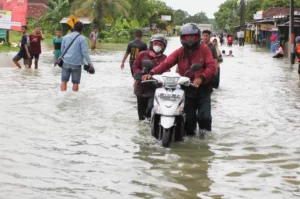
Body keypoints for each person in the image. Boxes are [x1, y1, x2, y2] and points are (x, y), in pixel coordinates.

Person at [142, 23, 216, 136]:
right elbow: (166, 63)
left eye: (193, 37)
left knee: (204, 117)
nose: (190, 39)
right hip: (187, 89)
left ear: (198, 37)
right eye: (187, 37)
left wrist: (201, 77)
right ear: (182, 38)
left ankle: (205, 140)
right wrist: (151, 73)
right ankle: (189, 142)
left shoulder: (205, 50)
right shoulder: (180, 52)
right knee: (189, 121)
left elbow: (211, 67)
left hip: (203, 90)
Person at [132, 34, 168, 121]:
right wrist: (140, 75)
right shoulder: (142, 54)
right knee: (141, 116)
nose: (157, 46)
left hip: (155, 89)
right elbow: (135, 67)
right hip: (141, 88)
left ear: (164, 47)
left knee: (150, 108)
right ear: (151, 44)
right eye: (156, 43)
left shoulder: (164, 58)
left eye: (160, 44)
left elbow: (167, 71)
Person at [60, 22, 93, 92]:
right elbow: (85, 53)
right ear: (82, 30)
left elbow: (62, 50)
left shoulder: (65, 37)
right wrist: (90, 64)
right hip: (77, 64)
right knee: (75, 83)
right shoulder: (83, 39)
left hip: (66, 62)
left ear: (73, 28)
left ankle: (62, 96)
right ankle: (74, 99)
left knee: (64, 81)